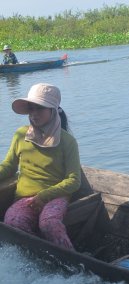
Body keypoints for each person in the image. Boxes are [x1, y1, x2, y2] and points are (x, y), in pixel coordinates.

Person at [0, 83, 81, 250]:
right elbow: (8, 166)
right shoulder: (21, 135)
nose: (34, 114)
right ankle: (36, 256)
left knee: (48, 223)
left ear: (52, 110)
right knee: (13, 221)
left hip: (56, 196)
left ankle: (71, 263)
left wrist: (45, 195)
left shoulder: (68, 142)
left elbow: (74, 180)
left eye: (39, 109)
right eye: (31, 109)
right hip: (25, 197)